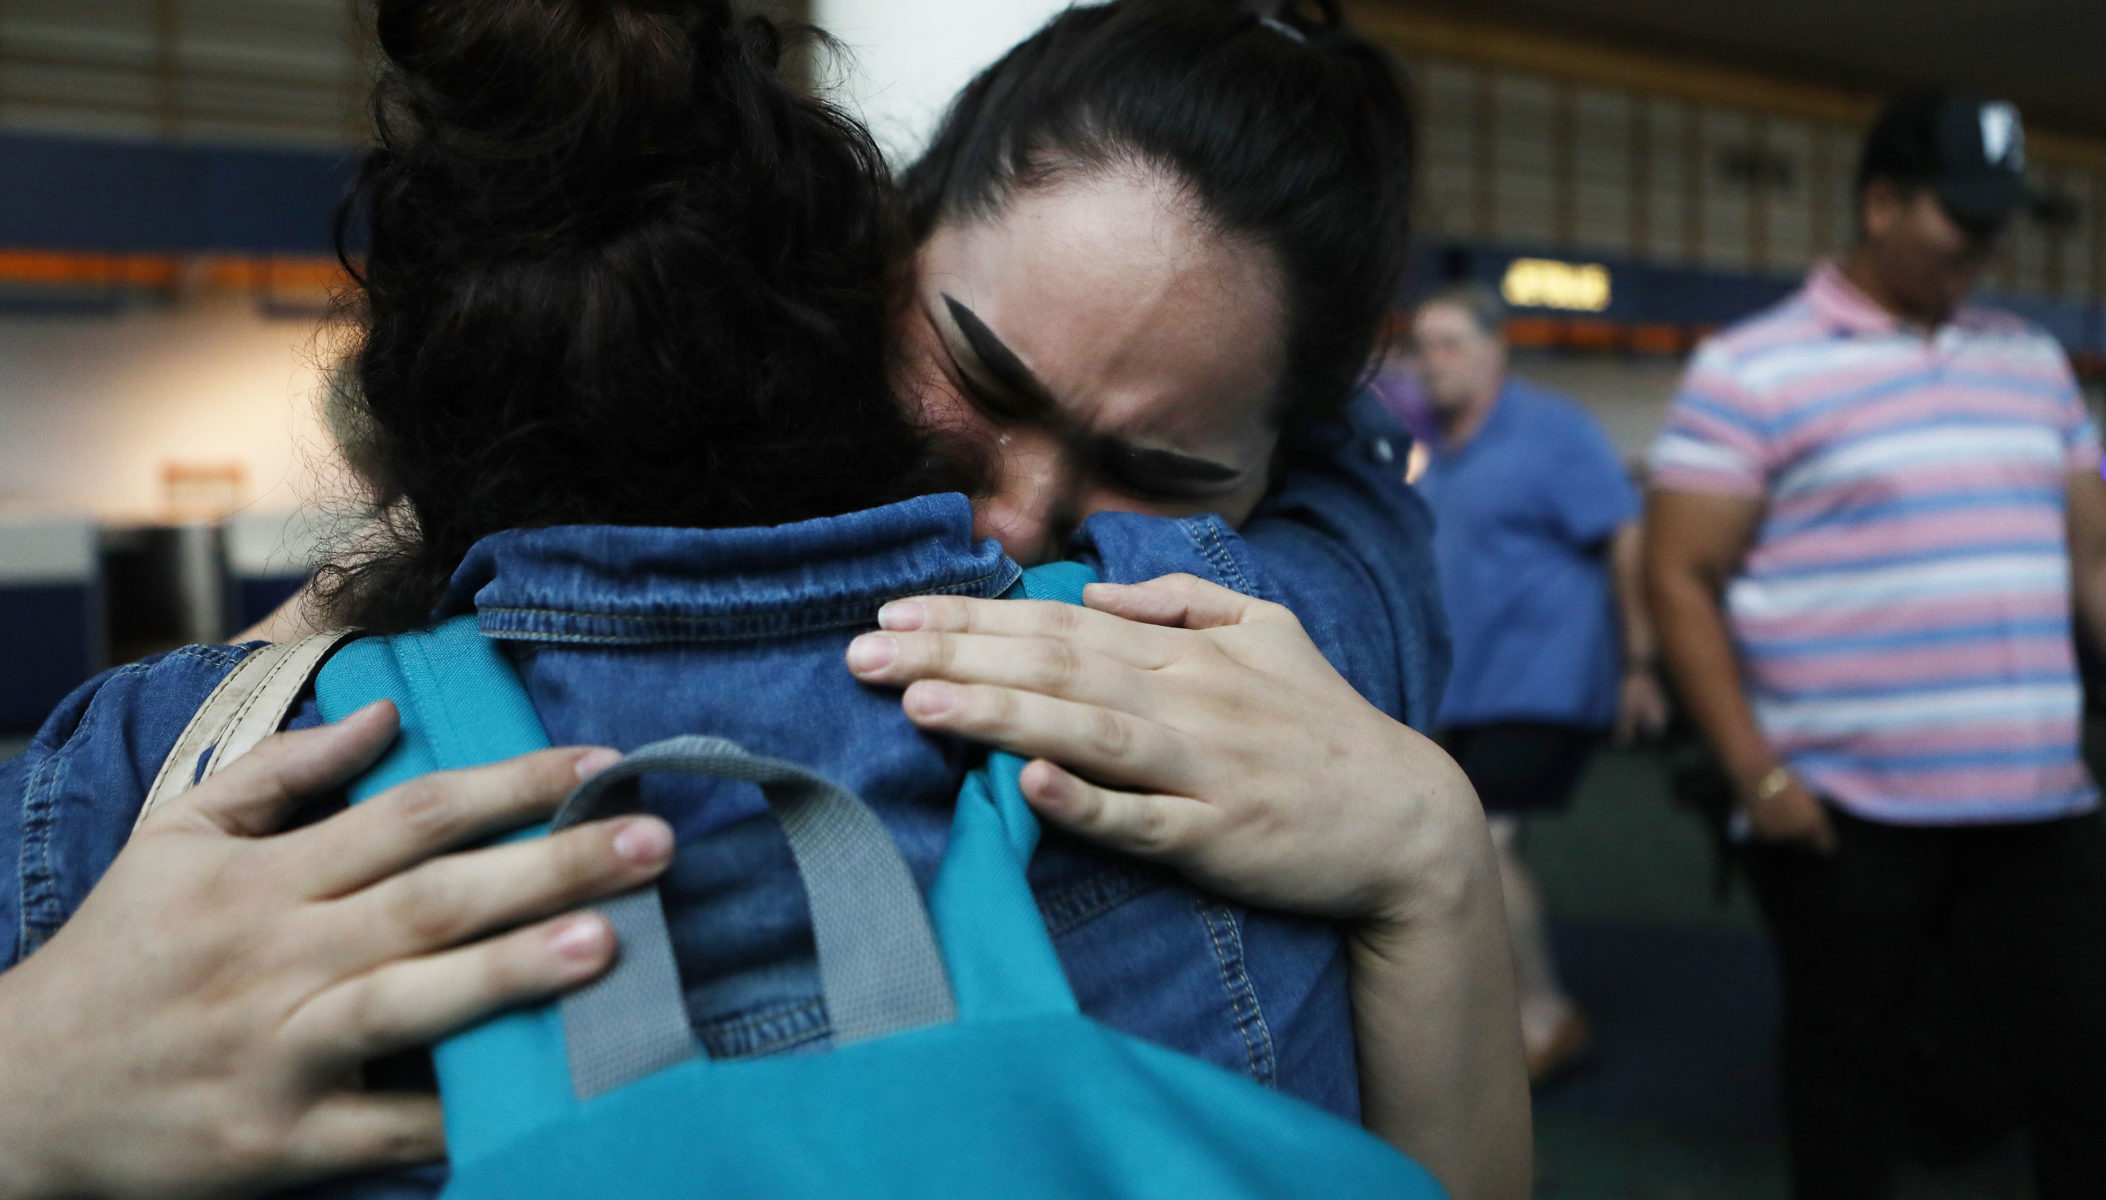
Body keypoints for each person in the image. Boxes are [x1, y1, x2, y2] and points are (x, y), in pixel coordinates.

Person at [0, 3, 1529, 1199]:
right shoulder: (1272, 614)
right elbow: (1370, 504)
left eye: (1162, 465)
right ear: (875, 255)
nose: (1013, 517)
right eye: (980, 377)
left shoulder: (174, 770)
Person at [1646, 88, 2106, 1199]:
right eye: (1961, 219)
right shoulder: (1753, 368)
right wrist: (1756, 773)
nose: (1988, 246)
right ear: (1883, 202)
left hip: (2037, 805)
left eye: (2000, 219)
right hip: (1847, 813)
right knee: (1849, 1084)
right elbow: (1679, 576)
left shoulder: (2029, 362)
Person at [1406, 281, 1665, 1084]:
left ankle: (1546, 1014)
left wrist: (1640, 664)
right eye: (1423, 346)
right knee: (1481, 838)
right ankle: (1501, 1006)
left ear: (1496, 350)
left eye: (1451, 343)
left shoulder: (1554, 432)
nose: (1433, 362)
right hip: (1474, 692)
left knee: (1482, 836)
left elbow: (1625, 539)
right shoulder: (1442, 455)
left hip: (1549, 680)